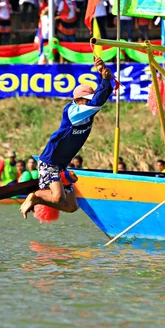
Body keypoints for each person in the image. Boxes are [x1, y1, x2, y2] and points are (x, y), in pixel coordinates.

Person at [20, 58, 114, 219]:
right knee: (58, 197)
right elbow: (98, 101)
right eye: (87, 100)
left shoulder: (88, 111)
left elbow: (102, 97)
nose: (90, 103)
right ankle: (35, 196)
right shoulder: (73, 111)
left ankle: (38, 199)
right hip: (49, 161)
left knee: (71, 206)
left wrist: (103, 74)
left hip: (61, 165)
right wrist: (104, 80)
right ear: (78, 101)